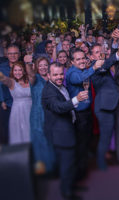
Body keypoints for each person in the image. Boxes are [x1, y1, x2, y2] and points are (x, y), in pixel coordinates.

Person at [42, 62, 88, 200]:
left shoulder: (60, 86)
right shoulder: (49, 91)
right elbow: (58, 107)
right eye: (55, 74)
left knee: (71, 162)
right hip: (60, 134)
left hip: (68, 129)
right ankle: (66, 192)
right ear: (49, 75)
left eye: (61, 74)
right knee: (66, 165)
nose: (59, 77)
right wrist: (77, 99)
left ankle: (71, 185)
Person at [66, 49, 103, 179]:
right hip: (79, 114)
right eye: (78, 59)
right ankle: (78, 175)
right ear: (71, 61)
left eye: (83, 58)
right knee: (80, 145)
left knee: (86, 141)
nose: (82, 61)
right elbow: (79, 79)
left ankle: (82, 168)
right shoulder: (72, 73)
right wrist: (93, 67)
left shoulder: (83, 70)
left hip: (87, 112)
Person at [91, 41, 119, 170]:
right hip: (104, 108)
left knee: (108, 136)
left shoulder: (103, 67)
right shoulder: (94, 67)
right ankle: (101, 164)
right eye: (96, 52)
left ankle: (105, 160)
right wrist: (118, 52)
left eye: (100, 51)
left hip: (110, 106)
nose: (99, 54)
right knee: (105, 137)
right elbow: (106, 64)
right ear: (91, 57)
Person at [25, 56, 55, 174]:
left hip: (50, 113)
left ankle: (52, 166)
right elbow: (31, 74)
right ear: (36, 67)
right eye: (40, 65)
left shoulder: (52, 78)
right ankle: (41, 170)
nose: (43, 67)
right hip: (38, 114)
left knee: (50, 140)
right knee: (39, 142)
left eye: (45, 65)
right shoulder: (35, 78)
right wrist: (28, 63)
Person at [0, 61, 31, 144]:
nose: (17, 73)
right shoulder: (12, 82)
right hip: (18, 112)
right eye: (15, 70)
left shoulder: (30, 81)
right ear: (12, 72)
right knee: (19, 136)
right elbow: (3, 78)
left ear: (24, 71)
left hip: (31, 110)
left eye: (20, 70)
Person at [0, 44, 20, 144]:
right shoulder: (1, 68)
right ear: (6, 55)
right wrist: (1, 100)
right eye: (10, 54)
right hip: (7, 105)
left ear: (19, 54)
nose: (13, 56)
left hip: (21, 104)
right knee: (6, 133)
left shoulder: (24, 67)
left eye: (15, 53)